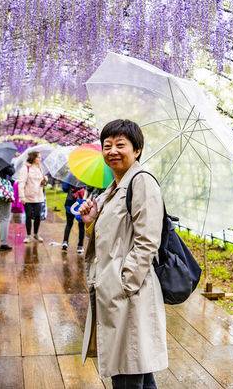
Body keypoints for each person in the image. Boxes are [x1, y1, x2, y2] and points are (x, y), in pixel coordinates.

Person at [79, 119, 167, 389]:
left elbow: (147, 241)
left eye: (121, 145)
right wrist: (91, 222)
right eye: (107, 145)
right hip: (115, 291)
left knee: (128, 371)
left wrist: (124, 282)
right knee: (136, 368)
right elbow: (110, 237)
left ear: (137, 150)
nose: (112, 151)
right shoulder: (114, 189)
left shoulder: (142, 183)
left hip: (129, 293)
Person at [17, 151, 48, 243]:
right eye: (38, 157)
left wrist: (45, 180)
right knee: (29, 216)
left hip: (39, 196)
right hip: (28, 197)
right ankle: (28, 235)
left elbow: (42, 183)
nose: (40, 159)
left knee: (38, 216)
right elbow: (21, 183)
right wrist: (21, 196)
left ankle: (36, 234)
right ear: (33, 158)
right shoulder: (25, 168)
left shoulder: (40, 168)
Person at [62, 181, 86, 253]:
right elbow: (90, 189)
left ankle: (65, 242)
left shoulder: (70, 175)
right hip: (81, 203)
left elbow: (64, 188)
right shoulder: (87, 175)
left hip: (70, 202)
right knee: (81, 226)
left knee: (69, 224)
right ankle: (80, 246)